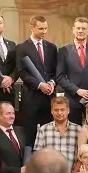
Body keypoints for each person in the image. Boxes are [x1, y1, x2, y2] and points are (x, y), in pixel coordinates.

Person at [15, 15, 58, 146]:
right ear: (32, 27)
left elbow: (56, 71)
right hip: (31, 97)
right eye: (40, 29)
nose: (44, 31)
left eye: (46, 28)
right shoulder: (21, 47)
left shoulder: (52, 47)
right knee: (30, 134)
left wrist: (52, 83)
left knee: (50, 133)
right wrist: (39, 85)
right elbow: (22, 72)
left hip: (49, 98)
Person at [56, 16, 88, 125]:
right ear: (73, 30)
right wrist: (78, 90)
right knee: (73, 132)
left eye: (83, 28)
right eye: (78, 28)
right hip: (72, 100)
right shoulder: (63, 51)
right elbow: (60, 77)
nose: (80, 31)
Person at [34, 96, 82, 164]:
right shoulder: (43, 130)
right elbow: (37, 154)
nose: (59, 113)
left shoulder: (78, 130)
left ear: (68, 110)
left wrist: (76, 169)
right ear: (51, 111)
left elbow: (82, 155)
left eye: (62, 110)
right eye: (56, 110)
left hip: (71, 170)